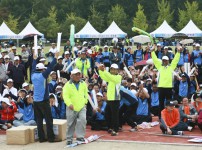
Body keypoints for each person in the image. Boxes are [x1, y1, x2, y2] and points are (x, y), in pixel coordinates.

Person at [31, 50, 60, 143]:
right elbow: (50, 67)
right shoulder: (43, 75)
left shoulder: (32, 75)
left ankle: (41, 138)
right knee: (48, 119)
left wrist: (34, 59)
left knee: (39, 120)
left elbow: (32, 67)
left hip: (36, 101)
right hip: (44, 100)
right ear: (42, 69)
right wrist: (55, 58)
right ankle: (51, 138)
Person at [151, 45, 181, 118]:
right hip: (161, 87)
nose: (164, 61)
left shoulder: (171, 67)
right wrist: (152, 51)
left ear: (168, 61)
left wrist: (178, 52)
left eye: (166, 60)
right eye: (163, 60)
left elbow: (175, 60)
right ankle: (161, 117)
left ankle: (168, 116)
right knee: (161, 103)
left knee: (169, 103)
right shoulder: (159, 67)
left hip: (169, 87)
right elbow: (155, 59)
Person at [63, 68, 88, 145]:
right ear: (72, 76)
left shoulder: (83, 83)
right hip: (71, 107)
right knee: (70, 123)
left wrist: (85, 102)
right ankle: (69, 138)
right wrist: (69, 104)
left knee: (83, 120)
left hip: (81, 106)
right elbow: (65, 96)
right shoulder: (67, 85)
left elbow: (86, 94)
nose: (78, 76)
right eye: (76, 75)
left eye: (79, 74)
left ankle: (80, 136)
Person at [98, 63, 122, 136]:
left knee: (115, 115)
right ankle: (110, 127)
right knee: (108, 114)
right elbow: (103, 77)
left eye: (114, 69)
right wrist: (100, 70)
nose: (113, 70)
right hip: (110, 99)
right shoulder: (110, 76)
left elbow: (109, 77)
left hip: (115, 99)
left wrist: (104, 70)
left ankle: (115, 129)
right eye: (112, 69)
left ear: (117, 70)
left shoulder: (118, 77)